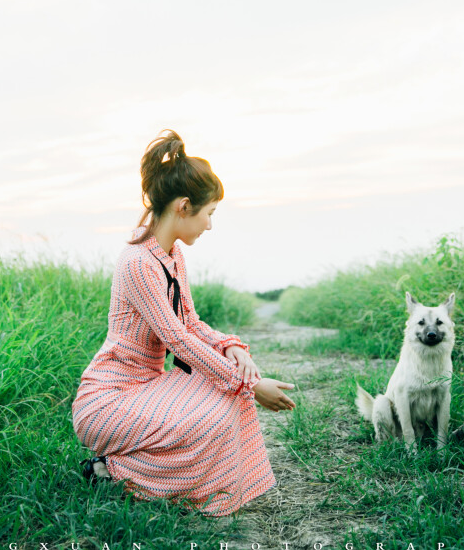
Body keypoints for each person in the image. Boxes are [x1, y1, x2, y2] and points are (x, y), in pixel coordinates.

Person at [71, 130, 296, 516]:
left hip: (146, 388)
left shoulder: (171, 256)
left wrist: (231, 346)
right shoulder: (138, 262)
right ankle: (111, 470)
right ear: (185, 206)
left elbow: (189, 321)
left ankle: (149, 477)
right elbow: (177, 339)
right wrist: (253, 384)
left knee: (228, 401)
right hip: (109, 401)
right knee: (228, 398)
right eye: (209, 213)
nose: (209, 225)